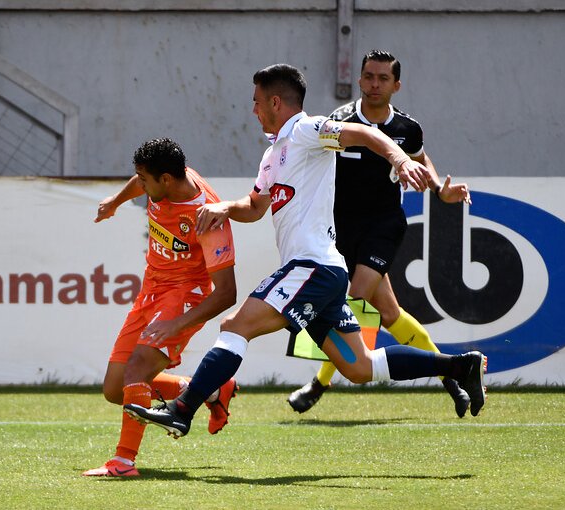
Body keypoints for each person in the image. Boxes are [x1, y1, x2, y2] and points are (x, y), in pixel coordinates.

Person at [124, 64, 487, 440]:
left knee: (235, 326)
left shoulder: (306, 130)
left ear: (275, 102)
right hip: (323, 273)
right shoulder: (272, 156)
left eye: (256, 102)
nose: (253, 110)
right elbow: (254, 207)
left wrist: (400, 159)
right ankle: (460, 366)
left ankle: (183, 409)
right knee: (359, 367)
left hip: (311, 267)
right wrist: (225, 208)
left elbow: (362, 132)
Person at [287, 50, 474, 417]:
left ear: (396, 85)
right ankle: (453, 377)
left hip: (384, 226)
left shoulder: (407, 128)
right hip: (339, 229)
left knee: (353, 295)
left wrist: (439, 188)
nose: (374, 84)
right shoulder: (339, 122)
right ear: (359, 80)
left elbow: (421, 159)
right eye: (368, 76)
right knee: (389, 313)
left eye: (382, 78)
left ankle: (318, 384)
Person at [82, 138, 239, 477]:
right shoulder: (162, 182)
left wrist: (177, 323)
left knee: (137, 369)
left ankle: (123, 463)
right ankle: (207, 388)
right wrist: (115, 202)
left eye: (144, 179)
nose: (140, 184)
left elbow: (227, 293)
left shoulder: (206, 217)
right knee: (114, 388)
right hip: (152, 288)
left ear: (166, 179)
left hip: (185, 295)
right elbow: (140, 182)